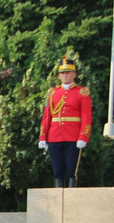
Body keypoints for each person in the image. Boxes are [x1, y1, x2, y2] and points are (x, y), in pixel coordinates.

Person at [38, 56, 92, 187]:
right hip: (54, 135)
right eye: (62, 73)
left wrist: (83, 136)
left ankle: (70, 197)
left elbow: (86, 116)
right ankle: (58, 197)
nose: (65, 75)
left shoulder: (82, 92)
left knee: (71, 171)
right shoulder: (52, 93)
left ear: (74, 74)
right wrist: (42, 136)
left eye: (68, 72)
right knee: (57, 171)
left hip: (73, 136)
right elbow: (47, 116)